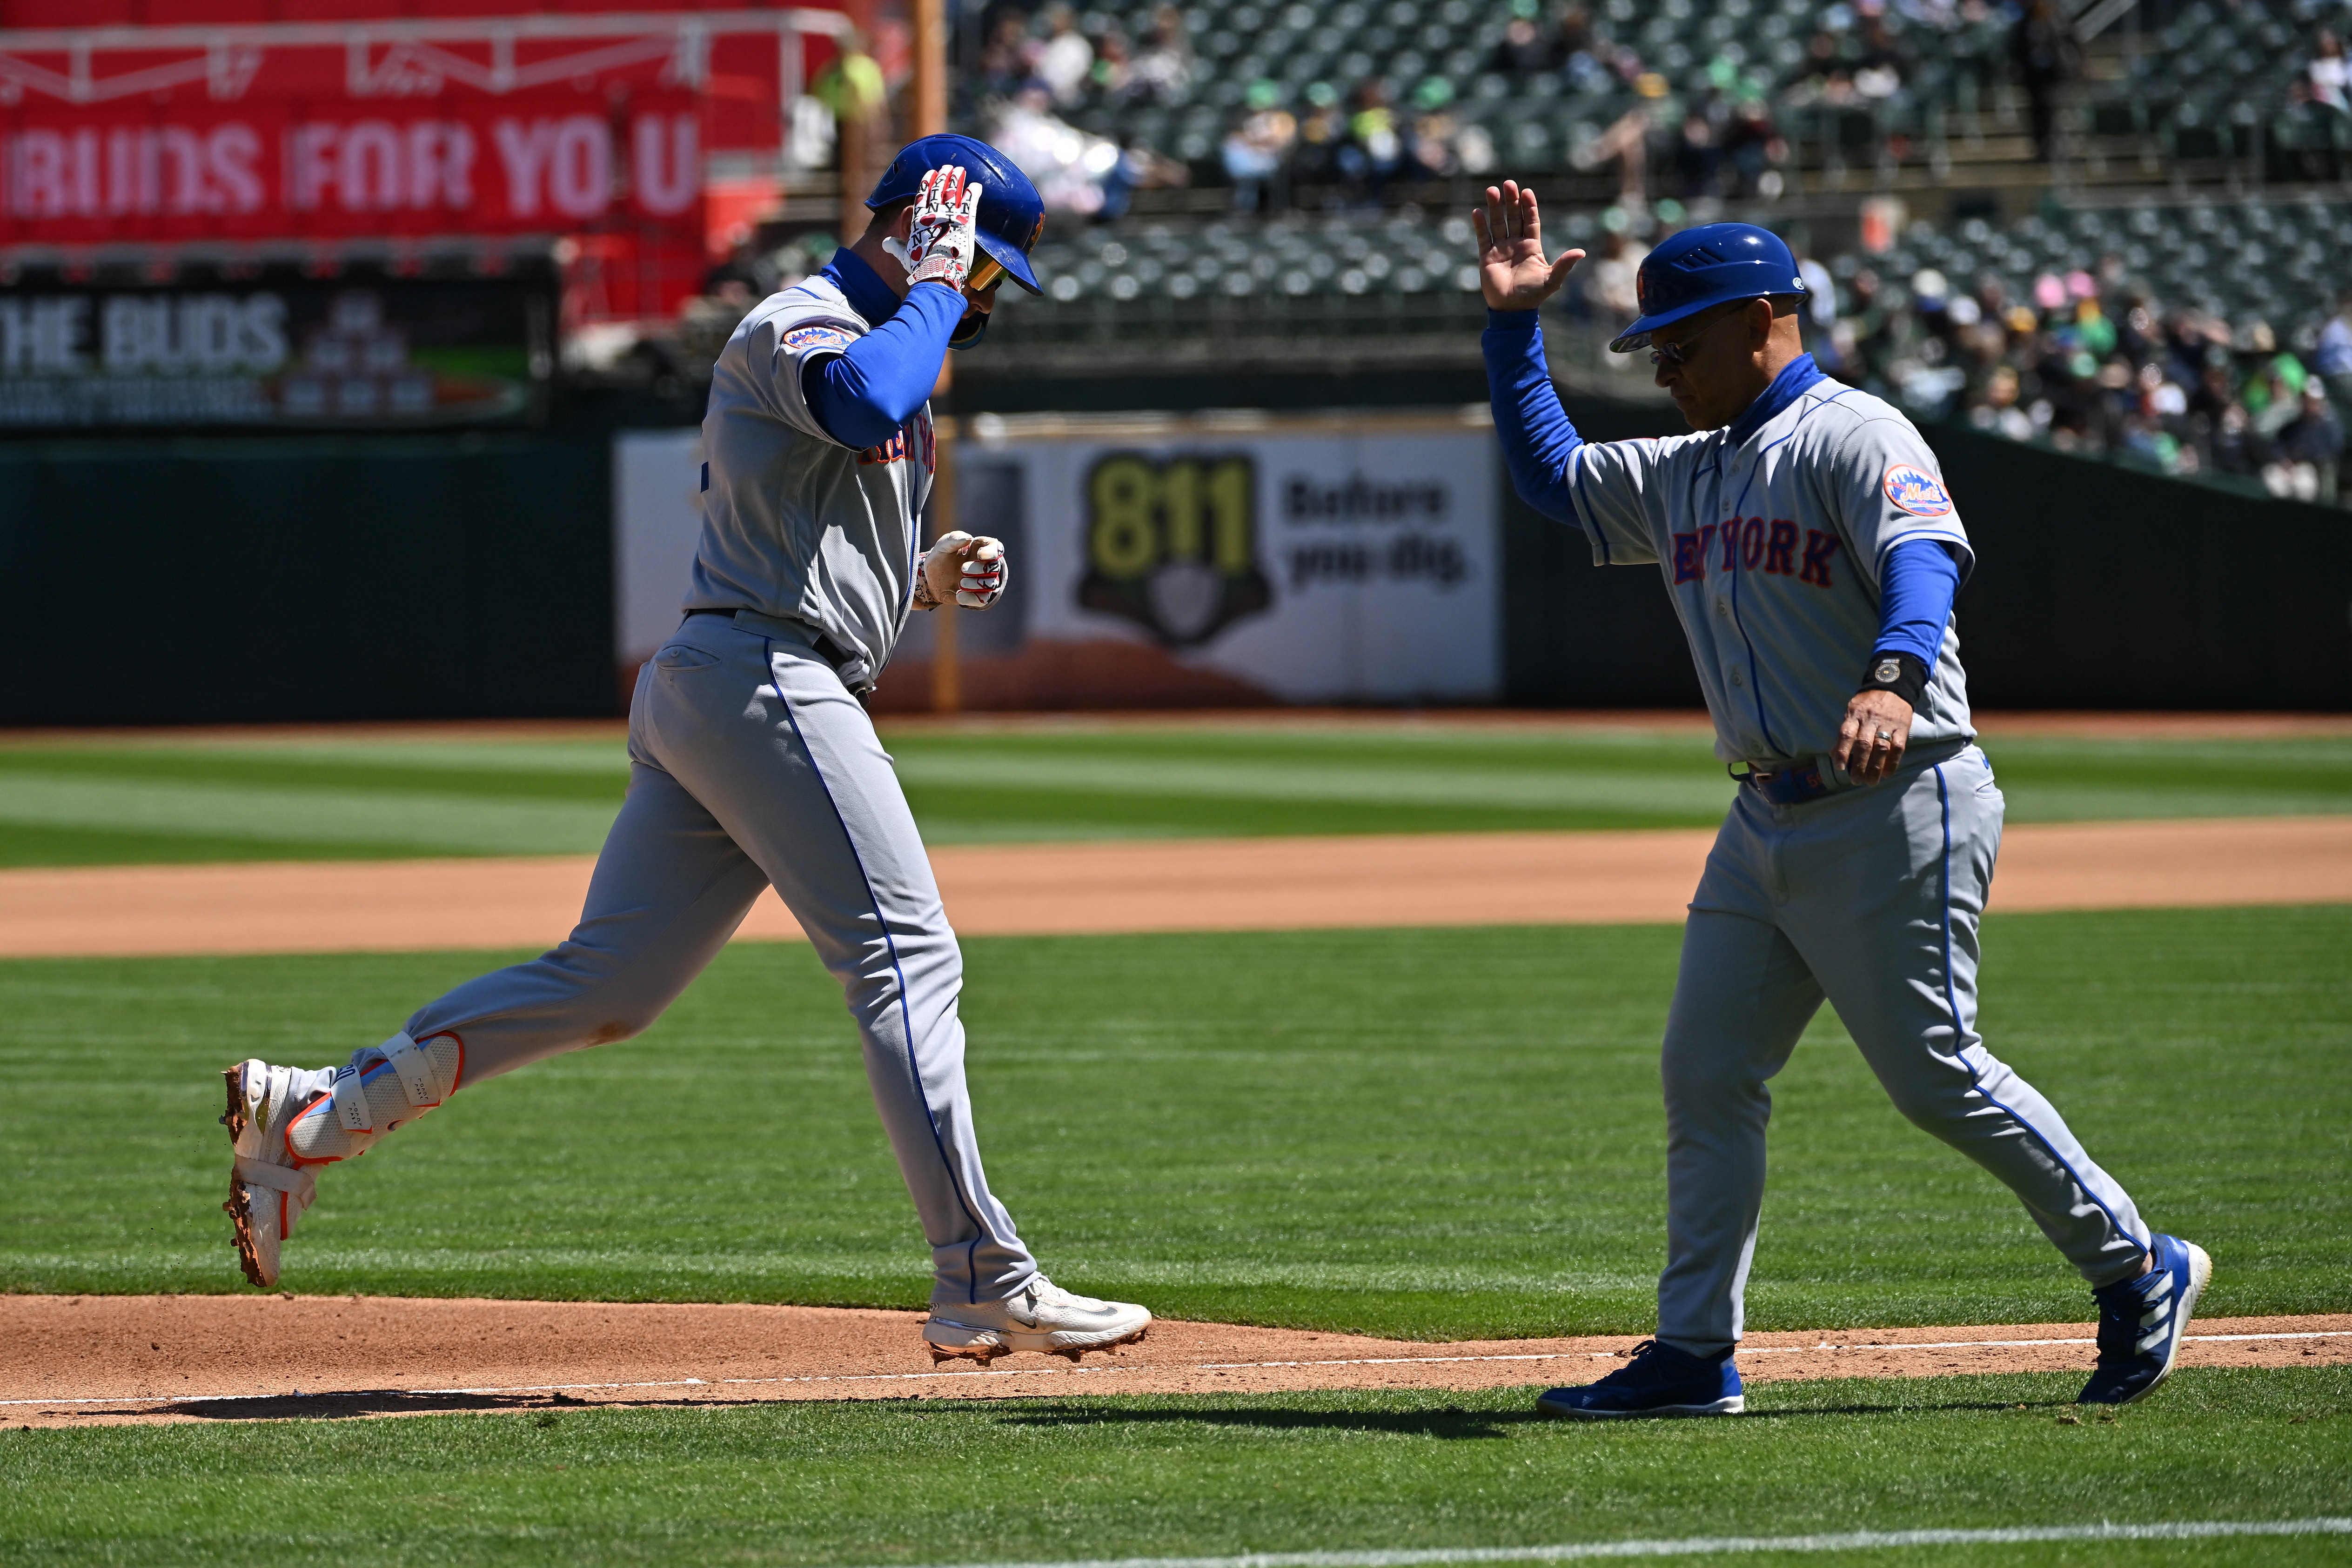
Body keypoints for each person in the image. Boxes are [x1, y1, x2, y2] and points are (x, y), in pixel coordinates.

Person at [220, 135, 1154, 1368]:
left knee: (607, 985)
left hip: (744, 672)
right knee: (905, 957)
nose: (982, 295)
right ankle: (980, 1275)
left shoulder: (886, 337)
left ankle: (318, 1114)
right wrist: (931, 280)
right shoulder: (796, 321)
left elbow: (806, 524)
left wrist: (921, 578)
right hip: (766, 677)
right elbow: (861, 402)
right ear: (912, 226)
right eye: (982, 265)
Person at [1471, 183, 2209, 1418]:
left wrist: (1892, 675)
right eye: (1654, 351)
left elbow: (1924, 558)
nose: (1663, 373)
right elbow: (1555, 479)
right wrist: (1509, 332)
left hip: (1898, 795)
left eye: (1682, 345)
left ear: (1765, 317)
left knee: (1935, 1073)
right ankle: (1696, 1351)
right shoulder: (1689, 467)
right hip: (1767, 815)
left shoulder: (1855, 433)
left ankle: (2140, 1263)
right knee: (1706, 1071)